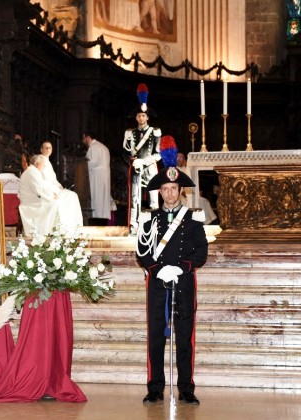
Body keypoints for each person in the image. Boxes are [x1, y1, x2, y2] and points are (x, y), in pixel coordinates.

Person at [136, 136, 208, 406]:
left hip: (184, 283)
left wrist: (181, 267)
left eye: (173, 188)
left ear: (180, 191)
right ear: (160, 191)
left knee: (184, 337)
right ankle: (155, 387)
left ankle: (186, 388)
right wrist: (157, 270)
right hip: (157, 284)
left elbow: (201, 252)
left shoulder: (193, 219)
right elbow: (142, 252)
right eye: (165, 189)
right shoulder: (149, 219)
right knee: (156, 336)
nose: (169, 193)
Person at [124, 83, 162, 235]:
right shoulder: (129, 133)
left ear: (147, 117)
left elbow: (158, 154)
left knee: (153, 199)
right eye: (139, 115)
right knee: (135, 200)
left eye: (143, 115)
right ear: (136, 117)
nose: (141, 118)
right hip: (135, 168)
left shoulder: (155, 132)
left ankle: (156, 228)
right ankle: (134, 227)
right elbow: (125, 153)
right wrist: (133, 162)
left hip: (150, 168)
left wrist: (144, 162)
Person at [39, 141, 84, 229]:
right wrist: (54, 189)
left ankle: (71, 225)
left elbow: (53, 178)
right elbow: (43, 178)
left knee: (72, 195)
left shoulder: (47, 161)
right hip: (48, 189)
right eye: (45, 147)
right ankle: (66, 225)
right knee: (71, 196)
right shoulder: (41, 160)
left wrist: (59, 186)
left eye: (50, 148)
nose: (48, 149)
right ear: (41, 149)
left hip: (53, 187)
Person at [18, 154, 59, 236]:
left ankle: (49, 231)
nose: (44, 167)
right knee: (54, 204)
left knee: (55, 202)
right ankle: (45, 232)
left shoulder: (33, 171)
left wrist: (51, 194)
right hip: (31, 203)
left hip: (33, 200)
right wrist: (52, 196)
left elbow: (42, 187)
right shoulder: (32, 172)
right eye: (43, 164)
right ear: (36, 164)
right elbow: (39, 190)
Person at [82, 132, 113, 225]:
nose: (82, 141)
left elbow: (92, 163)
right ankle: (102, 219)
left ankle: (96, 220)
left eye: (83, 139)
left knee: (97, 198)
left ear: (87, 138)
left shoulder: (94, 147)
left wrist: (82, 166)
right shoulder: (103, 146)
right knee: (102, 198)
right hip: (104, 176)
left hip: (97, 176)